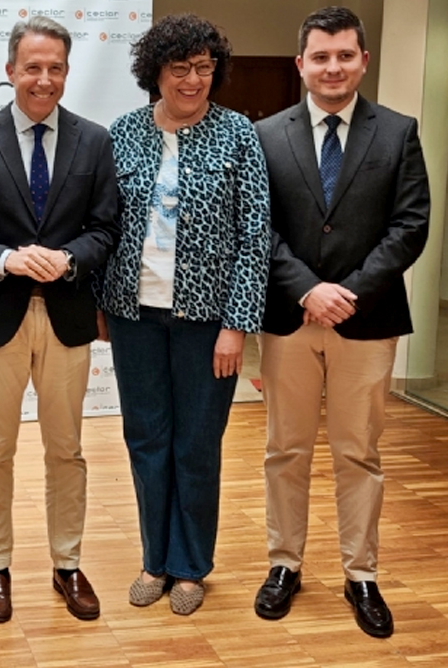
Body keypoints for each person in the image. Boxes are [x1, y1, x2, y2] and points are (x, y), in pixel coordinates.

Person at [0, 16, 119, 624]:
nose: (44, 79)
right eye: (32, 67)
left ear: (67, 72)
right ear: (10, 70)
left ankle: (68, 564)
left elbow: (106, 230)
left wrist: (69, 260)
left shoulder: (94, 141)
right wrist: (5, 259)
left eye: (55, 68)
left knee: (67, 451)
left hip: (67, 319)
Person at [252, 6, 429, 638]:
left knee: (359, 452)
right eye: (321, 57)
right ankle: (284, 564)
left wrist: (346, 293)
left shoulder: (398, 132)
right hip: (289, 317)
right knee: (286, 450)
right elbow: (258, 227)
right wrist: (307, 289)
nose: (333, 67)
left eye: (345, 55)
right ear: (301, 64)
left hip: (367, 318)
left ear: (363, 61)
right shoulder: (265, 135)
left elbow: (410, 226)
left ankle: (362, 574)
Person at [95, 14, 270, 616]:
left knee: (196, 444)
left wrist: (236, 326)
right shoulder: (123, 132)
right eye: (180, 68)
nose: (193, 80)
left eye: (203, 68)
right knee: (147, 439)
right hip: (133, 316)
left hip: (208, 323)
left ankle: (191, 565)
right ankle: (155, 560)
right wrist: (101, 303)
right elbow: (103, 225)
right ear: (156, 73)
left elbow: (255, 237)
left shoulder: (238, 134)